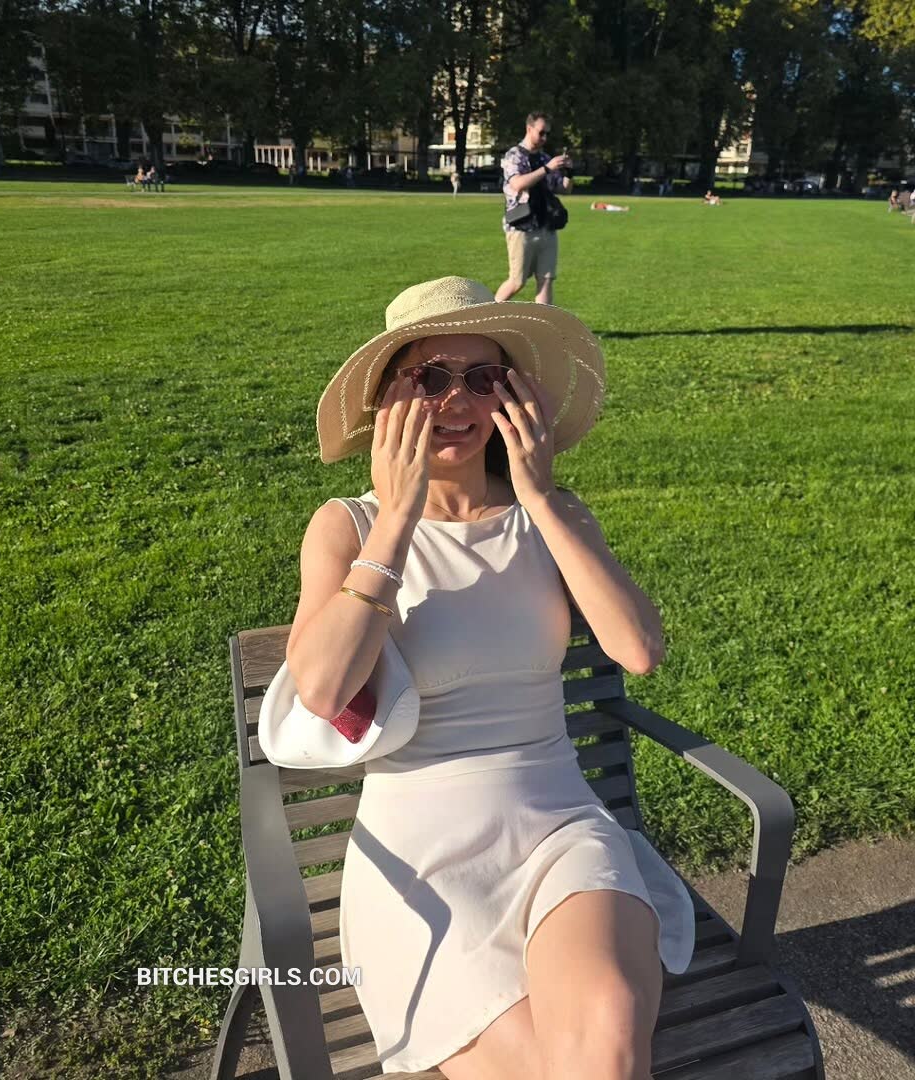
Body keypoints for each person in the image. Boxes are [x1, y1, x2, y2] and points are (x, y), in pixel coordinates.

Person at [296, 277, 696, 1077]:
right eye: (430, 377)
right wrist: (398, 518)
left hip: (558, 828)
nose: (457, 400)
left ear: (513, 398)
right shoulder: (348, 527)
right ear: (388, 400)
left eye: (483, 378)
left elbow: (638, 649)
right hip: (422, 855)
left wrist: (540, 497)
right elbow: (321, 689)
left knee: (609, 1030)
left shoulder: (552, 514)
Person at [495, 112, 573, 306]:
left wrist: (569, 172)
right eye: (541, 133)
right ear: (529, 129)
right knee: (517, 281)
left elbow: (563, 189)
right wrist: (547, 168)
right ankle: (486, 313)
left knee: (546, 280)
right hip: (521, 226)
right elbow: (517, 184)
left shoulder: (545, 158)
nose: (545, 138)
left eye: (547, 134)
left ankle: (543, 324)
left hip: (546, 226)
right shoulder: (514, 155)